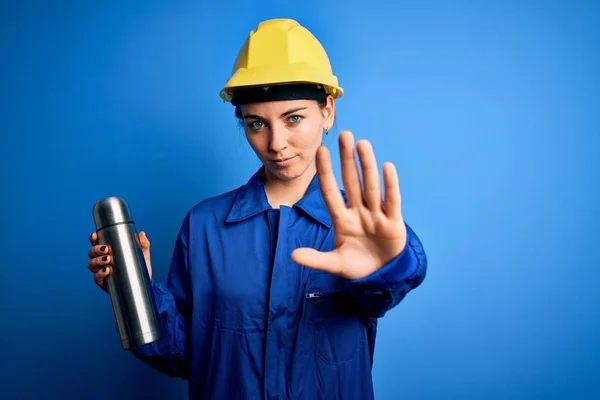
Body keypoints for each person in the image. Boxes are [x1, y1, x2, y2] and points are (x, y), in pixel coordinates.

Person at [87, 18, 427, 399]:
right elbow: (187, 357)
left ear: (327, 111)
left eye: (294, 118)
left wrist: (387, 267)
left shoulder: (357, 224)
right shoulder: (204, 226)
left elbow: (395, 283)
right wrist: (138, 295)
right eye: (256, 124)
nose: (276, 143)